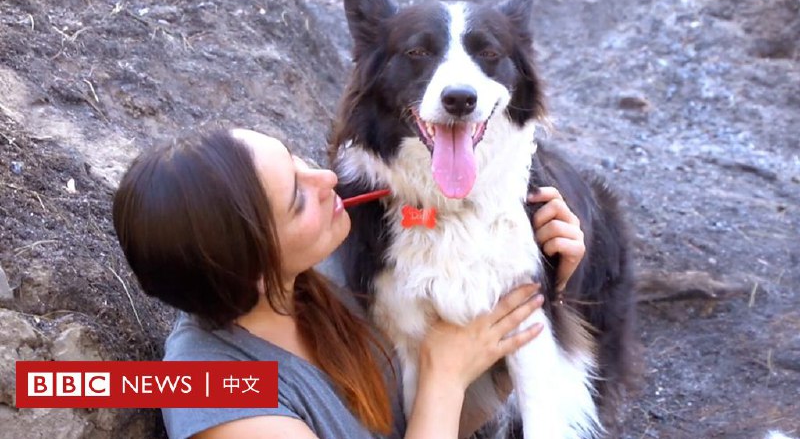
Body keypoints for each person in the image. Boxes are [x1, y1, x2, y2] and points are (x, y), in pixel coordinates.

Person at [112, 128, 585, 439]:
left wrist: (534, 259)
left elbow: (431, 216)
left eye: (295, 159)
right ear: (255, 270)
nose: (328, 178)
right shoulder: (219, 395)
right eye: (299, 198)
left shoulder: (324, 253)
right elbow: (446, 385)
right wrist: (443, 376)